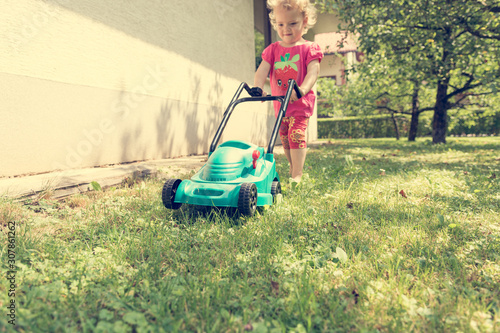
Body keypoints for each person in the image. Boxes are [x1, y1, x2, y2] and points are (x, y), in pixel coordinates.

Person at [254, 0, 323, 185]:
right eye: (281, 24)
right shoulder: (273, 50)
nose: (286, 29)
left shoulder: (309, 48)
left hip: (300, 104)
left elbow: (313, 73)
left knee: (296, 135)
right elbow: (262, 71)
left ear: (305, 21)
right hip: (281, 106)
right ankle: (293, 167)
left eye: (292, 24)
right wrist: (258, 87)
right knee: (285, 138)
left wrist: (302, 90)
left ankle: (297, 175)